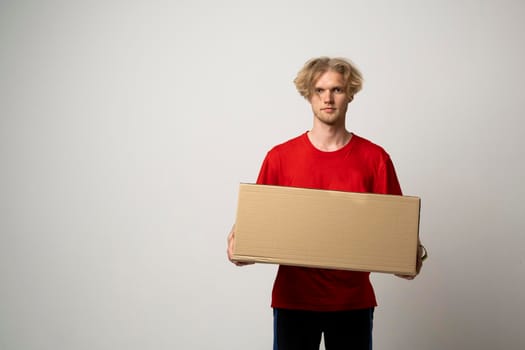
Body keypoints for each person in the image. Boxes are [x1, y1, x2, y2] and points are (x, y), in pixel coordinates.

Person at [227, 57, 425, 350]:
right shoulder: (280, 158)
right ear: (308, 95)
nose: (328, 98)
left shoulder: (375, 160)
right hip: (293, 300)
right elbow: (255, 228)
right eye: (319, 90)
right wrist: (239, 246)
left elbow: (397, 237)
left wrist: (411, 257)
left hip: (352, 303)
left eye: (337, 90)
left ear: (351, 94)